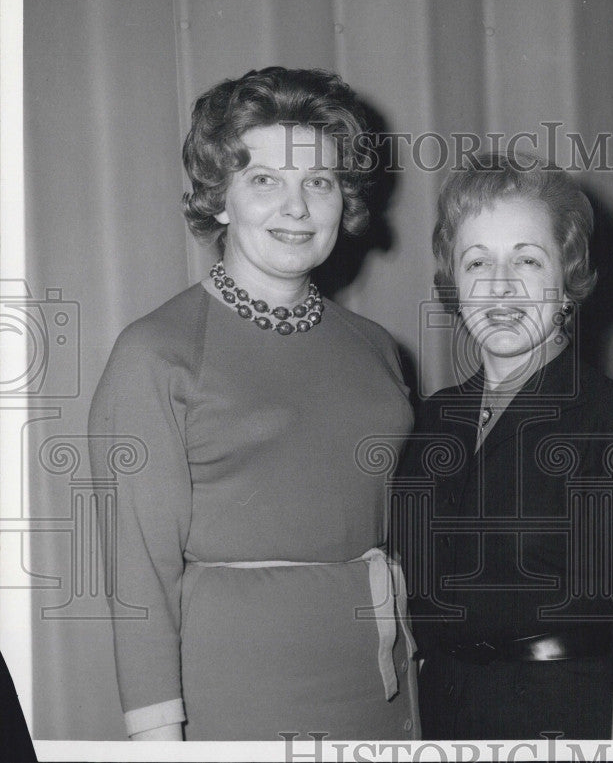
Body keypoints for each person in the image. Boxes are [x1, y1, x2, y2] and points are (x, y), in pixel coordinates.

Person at [89, 67, 418, 741]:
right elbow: (139, 580)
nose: (296, 208)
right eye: (265, 180)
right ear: (220, 198)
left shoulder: (377, 350)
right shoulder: (156, 353)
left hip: (377, 690)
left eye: (318, 182)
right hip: (237, 701)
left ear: (343, 200)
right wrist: (160, 742)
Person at [393, 153, 613, 740]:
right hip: (441, 718)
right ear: (454, 283)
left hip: (564, 718)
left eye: (527, 259)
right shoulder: (428, 422)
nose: (500, 285)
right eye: (477, 262)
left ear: (569, 280)